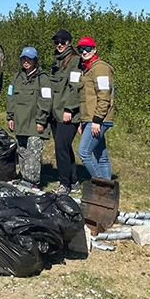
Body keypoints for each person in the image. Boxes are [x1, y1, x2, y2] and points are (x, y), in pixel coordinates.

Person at [6, 47, 51, 186]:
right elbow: (10, 97)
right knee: (22, 152)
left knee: (33, 154)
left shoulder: (43, 79)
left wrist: (41, 120)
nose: (26, 61)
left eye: (29, 59)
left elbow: (46, 100)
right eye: (24, 59)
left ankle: (33, 182)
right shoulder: (17, 77)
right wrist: (10, 117)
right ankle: (24, 179)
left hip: (35, 122)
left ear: (35, 60)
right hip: (20, 122)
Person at [76, 36, 115, 180]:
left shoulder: (101, 68)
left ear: (94, 49)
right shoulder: (86, 69)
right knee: (101, 156)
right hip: (89, 119)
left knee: (84, 152)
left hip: (99, 119)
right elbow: (86, 98)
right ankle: (107, 194)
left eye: (87, 49)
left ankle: (103, 186)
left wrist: (97, 120)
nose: (84, 52)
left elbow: (104, 96)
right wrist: (83, 121)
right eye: (81, 49)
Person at [49, 29, 82, 194]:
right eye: (57, 42)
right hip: (55, 112)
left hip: (67, 113)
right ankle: (73, 180)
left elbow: (75, 88)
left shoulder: (75, 61)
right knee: (65, 148)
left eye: (63, 42)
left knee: (61, 148)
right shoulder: (56, 61)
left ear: (69, 42)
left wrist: (69, 109)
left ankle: (64, 184)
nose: (59, 45)